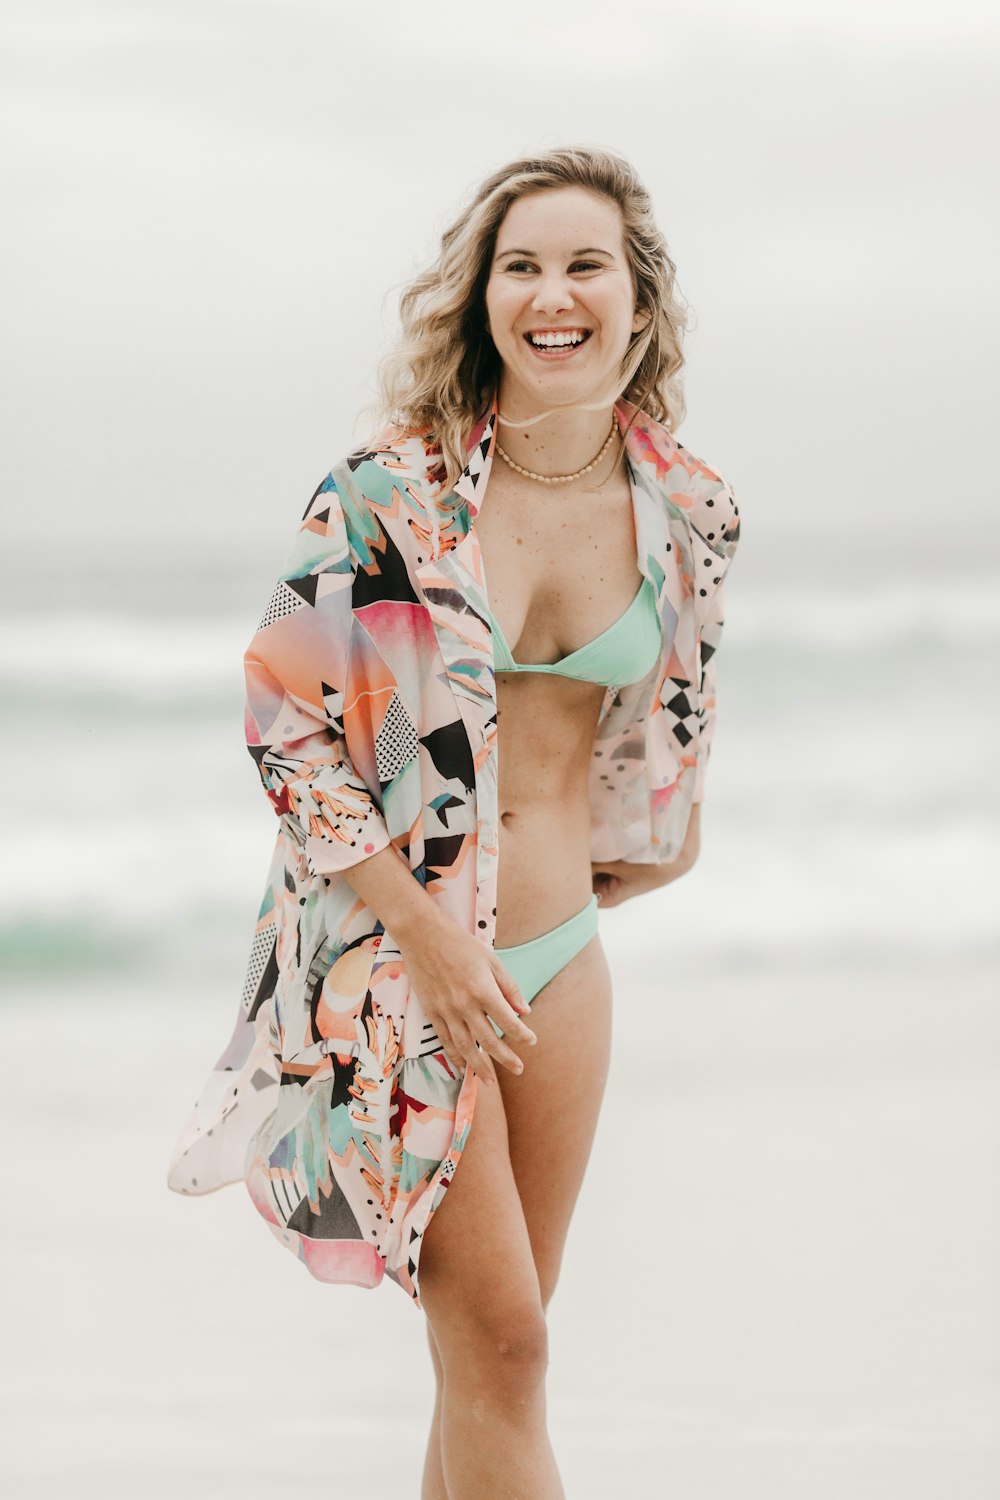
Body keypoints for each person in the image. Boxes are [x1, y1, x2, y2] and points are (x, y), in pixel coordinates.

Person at [167, 144, 741, 1498]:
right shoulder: (389, 494)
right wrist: (426, 934)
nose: (553, 293)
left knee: (495, 1357)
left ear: (640, 301)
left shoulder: (688, 509)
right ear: (481, 298)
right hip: (404, 968)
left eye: (584, 264)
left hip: (559, 971)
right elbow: (284, 722)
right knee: (507, 1343)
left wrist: (669, 835)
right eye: (520, 265)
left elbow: (675, 709)